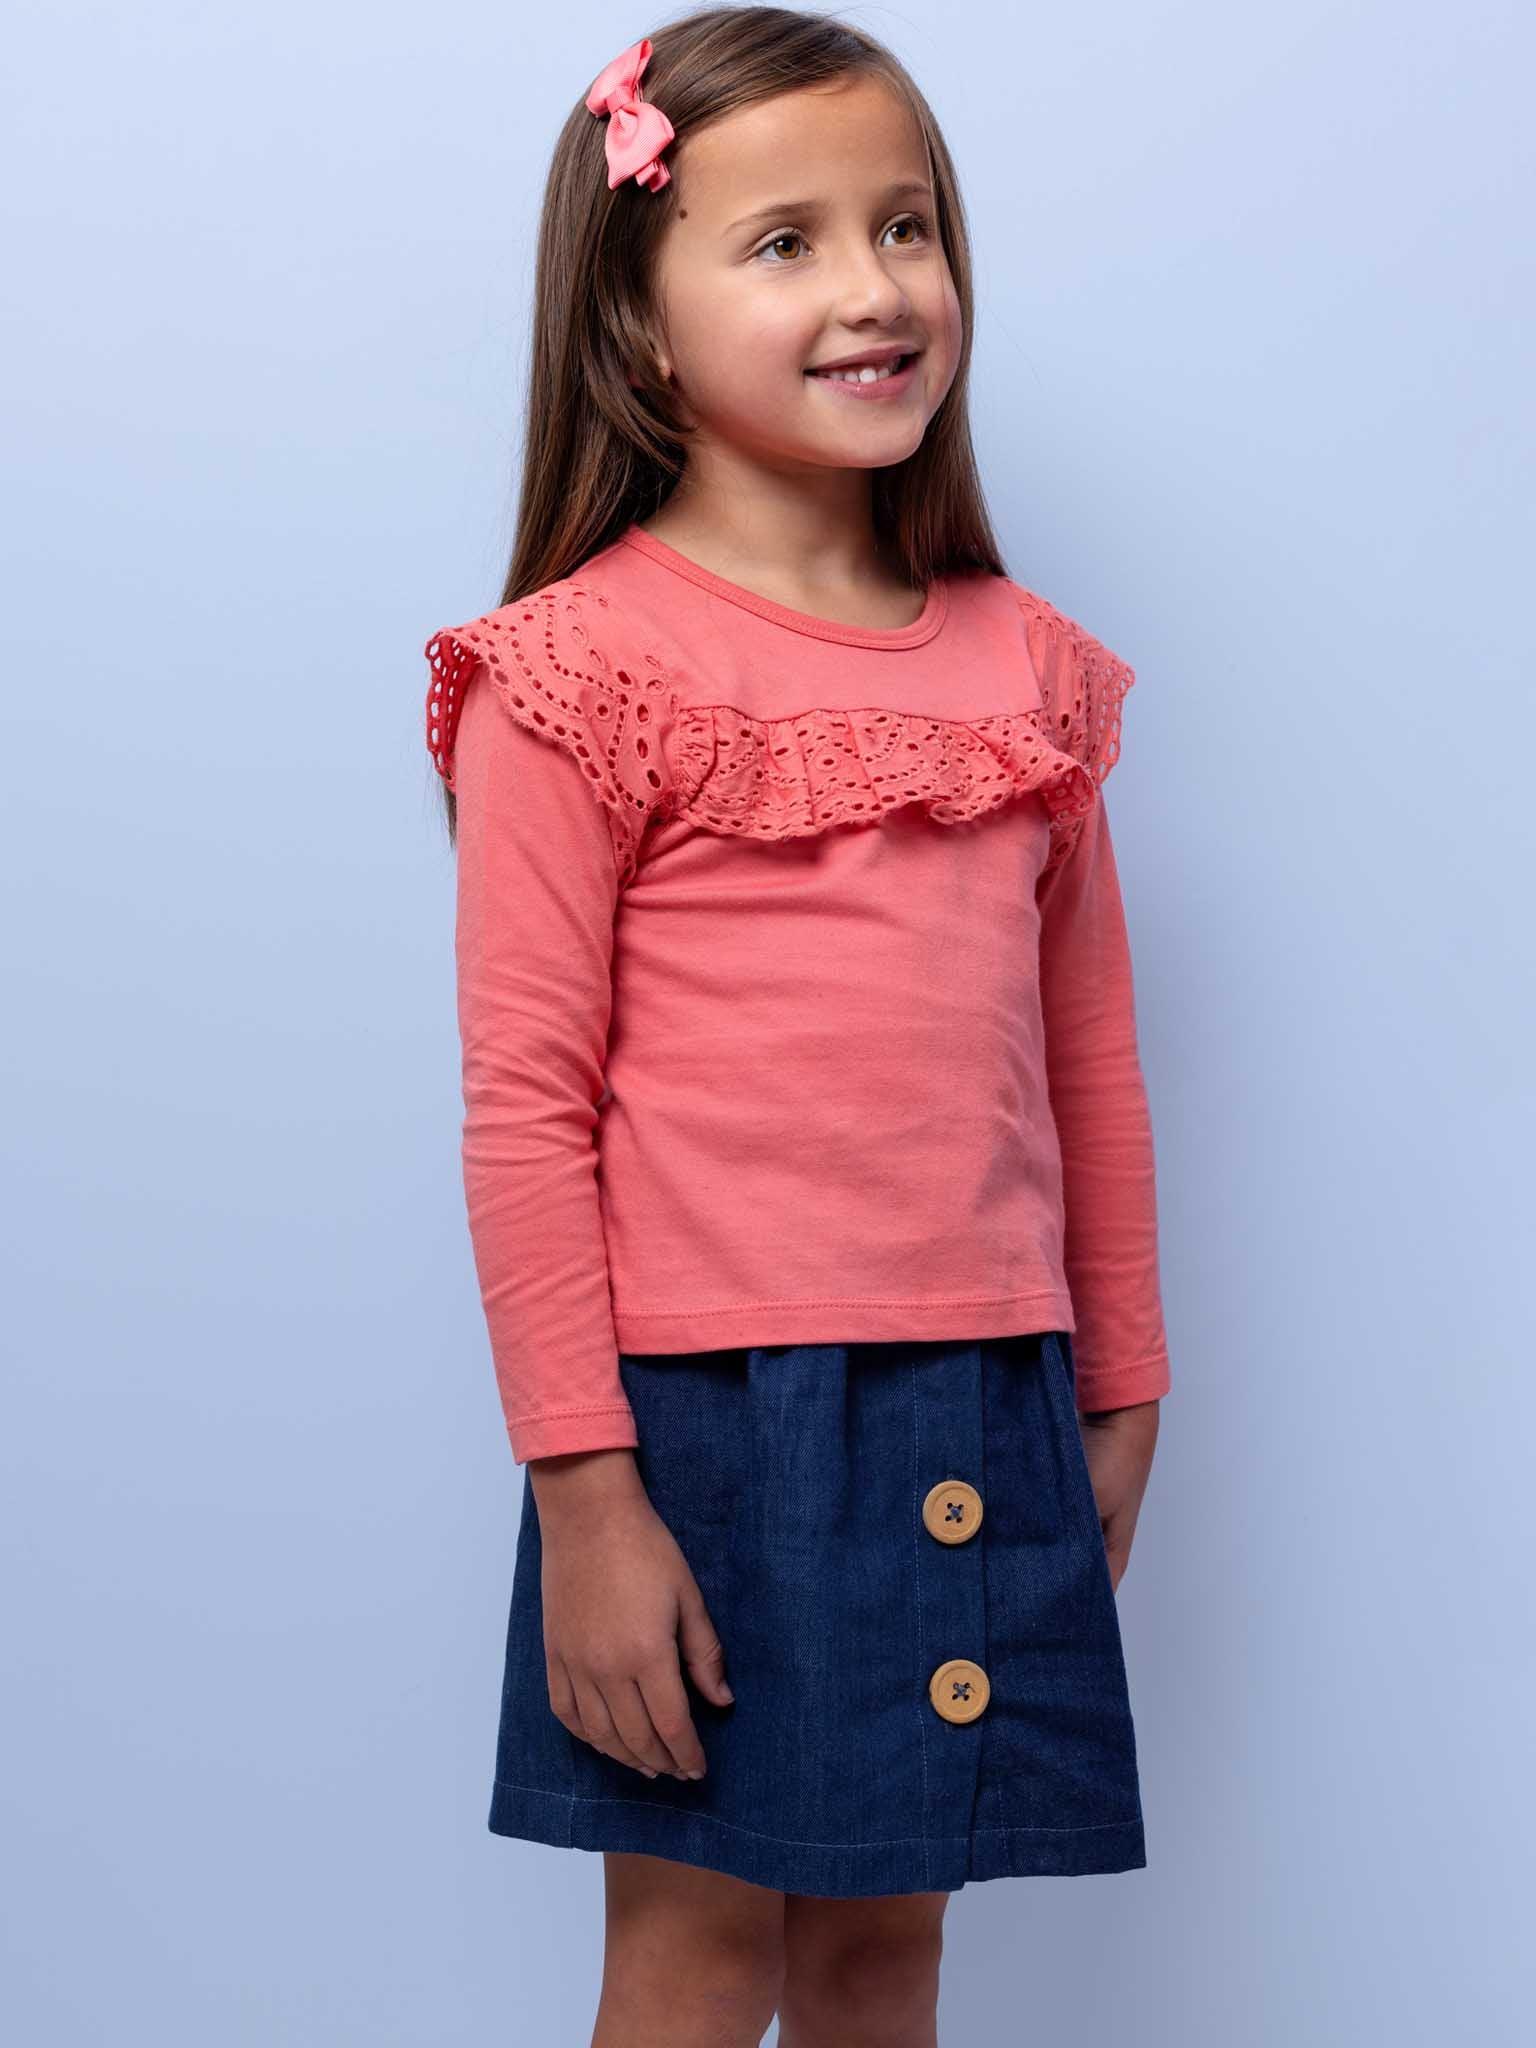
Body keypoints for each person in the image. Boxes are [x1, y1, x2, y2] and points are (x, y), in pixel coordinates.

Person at [422, 9, 1170, 2042]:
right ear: (638, 325)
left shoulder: (1030, 673)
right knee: (686, 1953)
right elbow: (522, 1112)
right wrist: (589, 1497)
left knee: (884, 1951)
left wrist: (1121, 1379)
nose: (875, 290)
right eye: (787, 243)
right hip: (708, 1428)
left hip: (984, 1393)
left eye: (908, 227)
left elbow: (1088, 1059)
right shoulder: (572, 675)